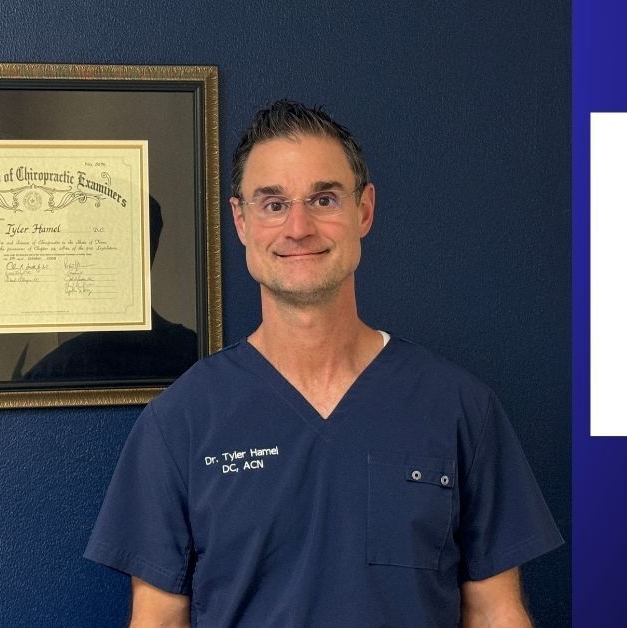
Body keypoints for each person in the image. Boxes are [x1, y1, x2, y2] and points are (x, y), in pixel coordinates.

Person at [85, 100, 563, 627]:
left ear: (364, 211)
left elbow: (497, 614)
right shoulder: (181, 422)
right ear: (240, 221)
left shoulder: (459, 408)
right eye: (272, 204)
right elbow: (157, 621)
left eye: (324, 199)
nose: (298, 227)